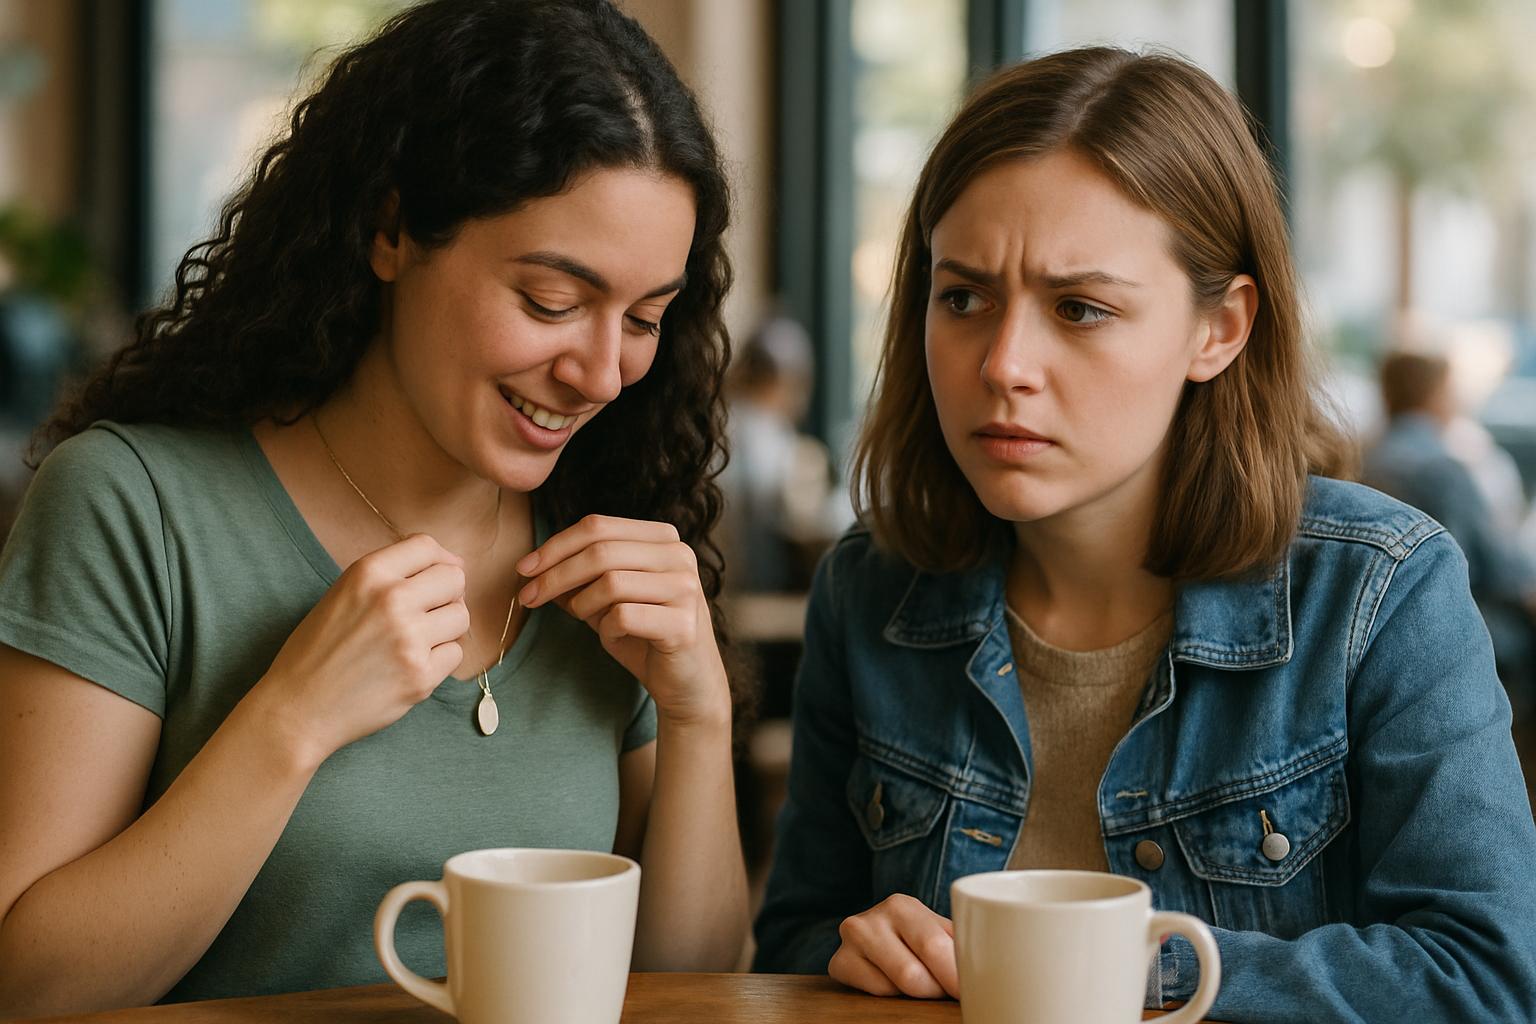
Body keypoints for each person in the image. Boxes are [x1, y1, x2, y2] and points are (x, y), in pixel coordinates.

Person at [753, 47, 1536, 1021]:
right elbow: (793, 940)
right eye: (963, 297)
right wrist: (854, 950)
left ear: (1221, 328)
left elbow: (1486, 980)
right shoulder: (869, 589)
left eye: (1079, 308)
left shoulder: (1381, 592)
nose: (1004, 363)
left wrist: (1144, 971)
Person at [0, 0, 747, 1015]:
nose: (603, 372)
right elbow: (29, 983)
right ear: (392, 229)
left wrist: (700, 711)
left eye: (647, 317)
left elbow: (689, 986)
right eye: (551, 302)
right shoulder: (133, 503)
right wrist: (291, 719)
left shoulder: (603, 535)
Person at [1363, 350, 1536, 718]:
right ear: (1435, 395)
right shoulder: (1442, 470)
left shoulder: (1361, 460)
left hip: (1375, 637)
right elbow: (1500, 568)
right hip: (1458, 629)